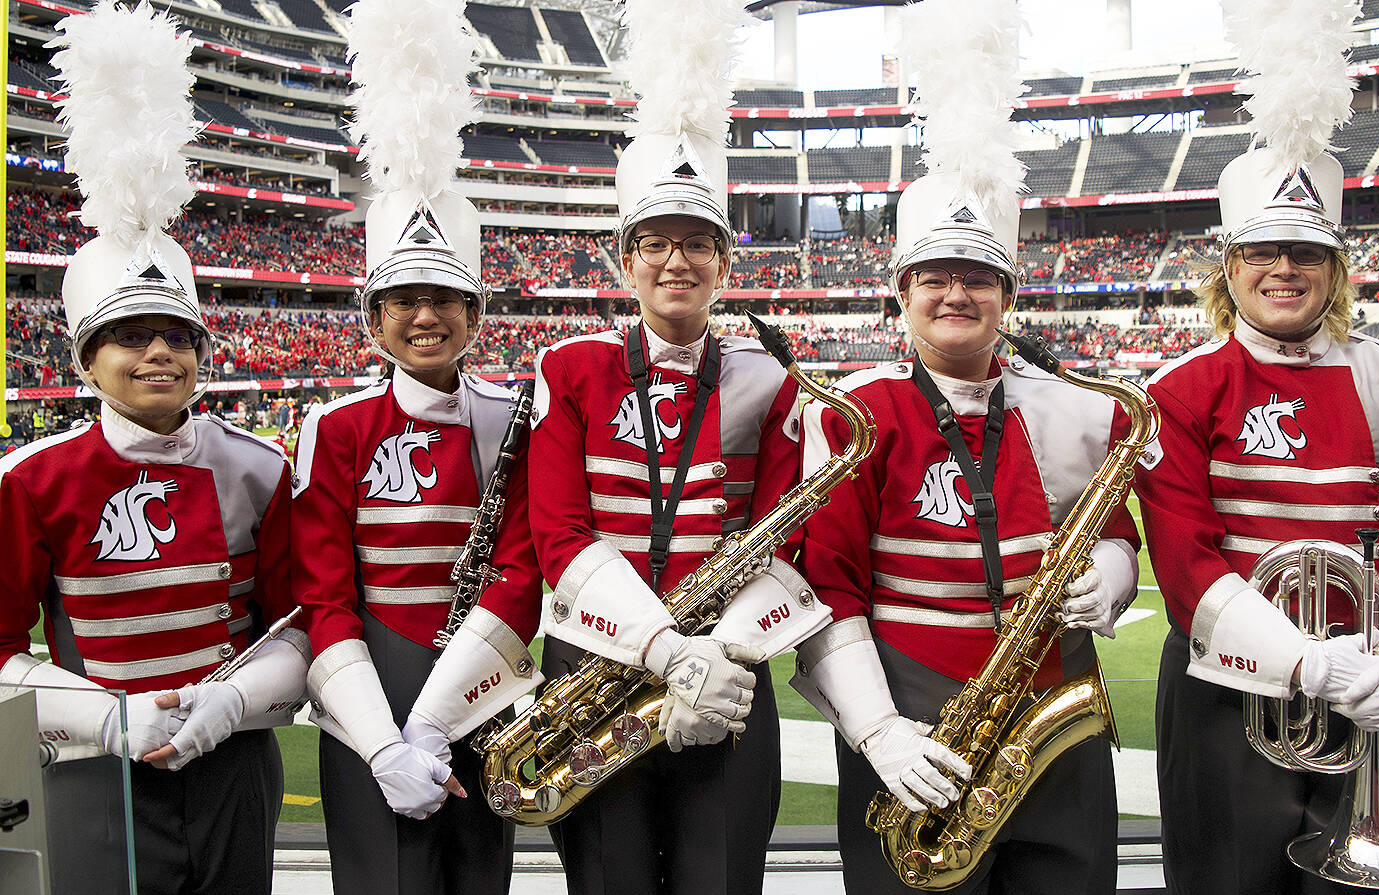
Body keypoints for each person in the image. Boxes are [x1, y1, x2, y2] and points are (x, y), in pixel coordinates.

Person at [791, 3, 1139, 892]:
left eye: (977, 278)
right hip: (914, 728)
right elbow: (830, 589)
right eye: (935, 277)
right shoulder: (856, 413)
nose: (957, 294)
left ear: (1005, 293)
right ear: (902, 295)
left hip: (1052, 720)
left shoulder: (1065, 403)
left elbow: (1115, 523)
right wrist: (876, 731)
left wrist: (1114, 566)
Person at [0, 4, 307, 893]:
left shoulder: (259, 465)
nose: (157, 353)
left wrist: (233, 704)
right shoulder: (32, 478)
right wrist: (107, 718)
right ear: (86, 357)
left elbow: (296, 624)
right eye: (129, 335)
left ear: (203, 348)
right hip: (96, 766)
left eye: (175, 332)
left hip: (233, 766)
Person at [525, 2, 830, 892]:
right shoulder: (569, 367)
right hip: (600, 664)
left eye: (698, 245)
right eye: (655, 243)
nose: (676, 262)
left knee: (724, 878)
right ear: (625, 259)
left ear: (726, 265)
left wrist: (721, 655)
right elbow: (559, 534)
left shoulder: (767, 380)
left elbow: (786, 537)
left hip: (727, 668)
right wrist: (667, 651)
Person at [1135, 43, 1379, 895]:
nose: (1283, 269)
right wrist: (1306, 663)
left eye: (1305, 252)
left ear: (1335, 267)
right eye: (1262, 250)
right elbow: (1189, 562)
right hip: (1223, 691)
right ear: (1227, 268)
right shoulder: (1176, 390)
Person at [292, 1, 541, 891]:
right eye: (404, 299)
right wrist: (383, 737)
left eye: (446, 297)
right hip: (369, 697)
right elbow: (321, 594)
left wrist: (439, 716)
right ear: (374, 317)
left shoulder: (518, 416)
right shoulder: (334, 428)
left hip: (483, 687)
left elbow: (521, 569)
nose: (427, 315)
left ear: (477, 313)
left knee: (484, 878)